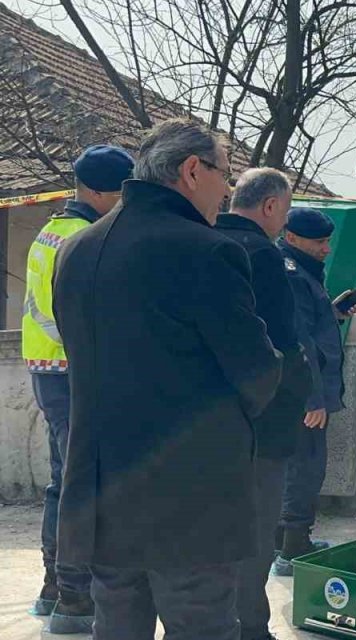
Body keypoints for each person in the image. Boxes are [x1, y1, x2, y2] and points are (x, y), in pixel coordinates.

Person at [51, 118, 282, 640]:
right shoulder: (207, 251)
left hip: (103, 488)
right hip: (189, 497)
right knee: (202, 627)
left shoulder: (76, 251)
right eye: (225, 174)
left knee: (116, 627)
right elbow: (257, 372)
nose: (227, 190)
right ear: (192, 170)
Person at [23, 144, 132, 634]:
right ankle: (75, 595)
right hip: (74, 371)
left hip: (50, 371)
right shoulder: (85, 235)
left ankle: (54, 586)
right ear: (95, 191)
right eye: (119, 193)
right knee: (80, 484)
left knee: (62, 481)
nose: (123, 203)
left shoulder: (52, 228)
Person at [215, 168, 313, 639]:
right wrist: (299, 390)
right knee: (254, 532)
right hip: (260, 421)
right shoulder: (263, 256)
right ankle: (250, 626)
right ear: (271, 206)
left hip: (204, 420)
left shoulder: (201, 244)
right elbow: (278, 344)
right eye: (286, 211)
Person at [273, 206, 351, 576]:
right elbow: (298, 340)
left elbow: (310, 326)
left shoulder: (301, 270)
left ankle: (284, 544)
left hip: (299, 389)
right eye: (319, 242)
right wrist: (313, 398)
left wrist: (331, 313)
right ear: (291, 238)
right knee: (304, 468)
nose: (326, 248)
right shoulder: (290, 274)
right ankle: (292, 550)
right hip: (303, 392)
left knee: (298, 465)